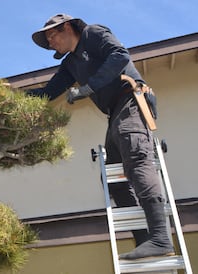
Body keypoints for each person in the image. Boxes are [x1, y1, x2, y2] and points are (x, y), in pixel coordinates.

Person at [27, 13, 174, 260]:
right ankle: (144, 239)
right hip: (115, 114)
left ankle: (160, 237)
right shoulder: (71, 64)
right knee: (114, 179)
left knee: (137, 161)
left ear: (66, 27)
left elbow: (120, 56)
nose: (50, 43)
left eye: (51, 36)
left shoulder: (92, 34)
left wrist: (87, 88)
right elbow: (49, 91)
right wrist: (12, 99)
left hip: (130, 101)